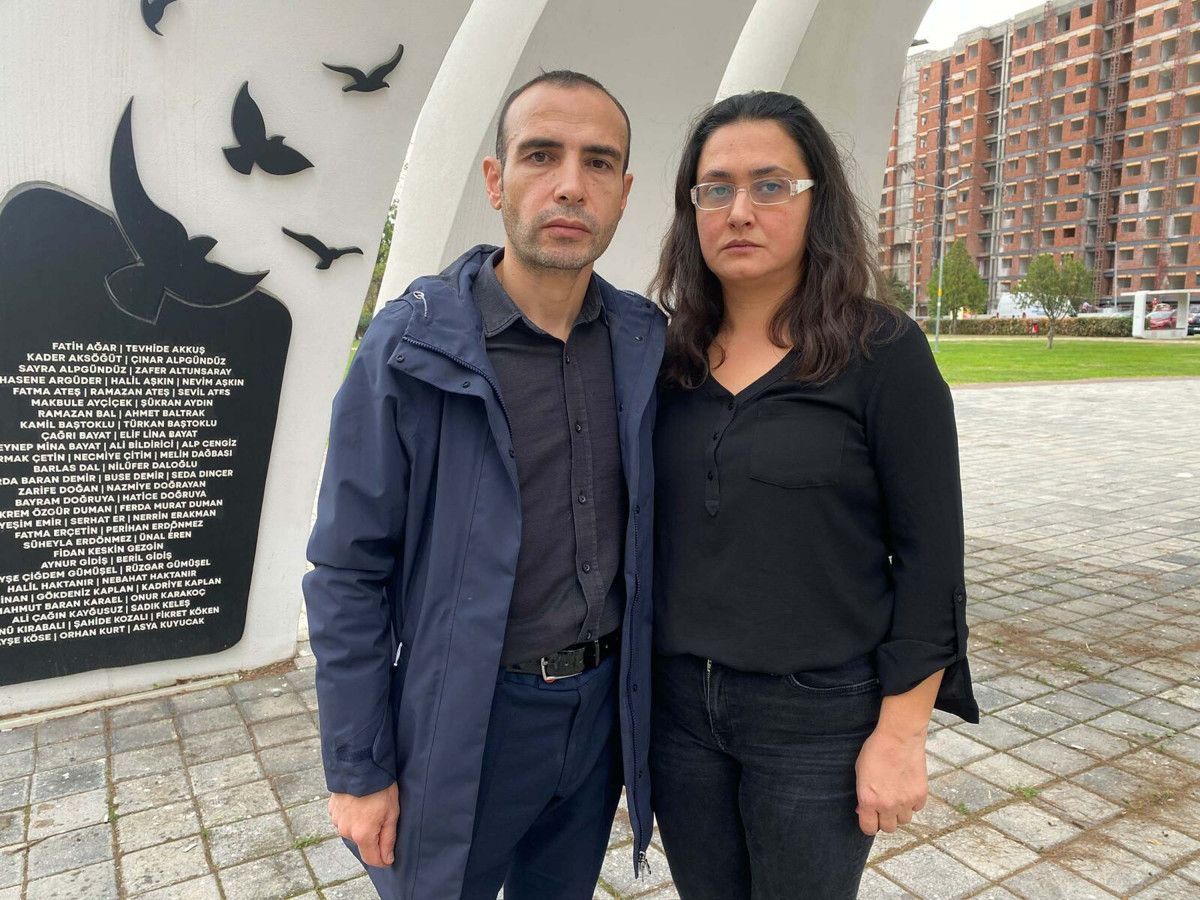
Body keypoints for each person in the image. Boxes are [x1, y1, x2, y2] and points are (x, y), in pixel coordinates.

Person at [303, 70, 665, 900]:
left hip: (598, 720)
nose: (570, 185)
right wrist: (359, 770)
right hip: (463, 719)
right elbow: (348, 570)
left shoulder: (643, 343)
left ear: (623, 192)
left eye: (598, 162)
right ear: (496, 181)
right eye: (541, 155)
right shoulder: (413, 348)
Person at [648, 91, 979, 900]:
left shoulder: (882, 352)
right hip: (678, 712)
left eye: (770, 185)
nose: (740, 210)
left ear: (816, 201)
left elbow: (932, 561)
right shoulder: (666, 356)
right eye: (716, 188)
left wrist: (901, 736)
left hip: (818, 717)